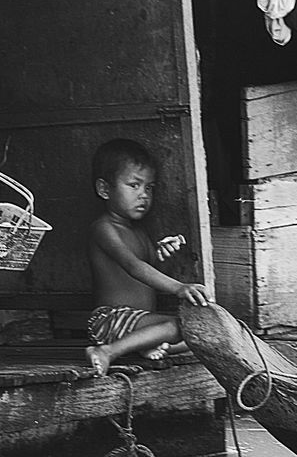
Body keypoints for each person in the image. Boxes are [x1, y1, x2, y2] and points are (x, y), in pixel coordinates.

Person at [84, 138, 211, 377]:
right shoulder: (104, 228)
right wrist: (179, 287)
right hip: (110, 319)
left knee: (202, 333)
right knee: (177, 327)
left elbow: (148, 266)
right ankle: (107, 351)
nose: (143, 195)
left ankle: (145, 344)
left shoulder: (139, 232)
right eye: (134, 185)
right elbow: (133, 266)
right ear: (104, 189)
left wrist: (162, 254)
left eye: (149, 188)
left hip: (139, 322)